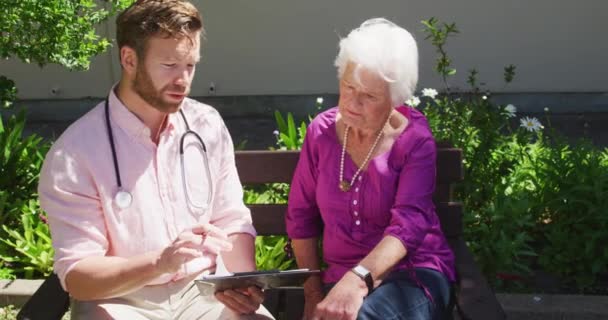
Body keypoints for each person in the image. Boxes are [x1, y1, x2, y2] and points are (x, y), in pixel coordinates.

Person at [38, 1, 273, 319]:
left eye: (190, 66)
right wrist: (160, 262)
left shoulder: (207, 124)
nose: (183, 80)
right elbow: (80, 276)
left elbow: (231, 219)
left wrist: (240, 283)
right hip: (119, 299)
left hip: (204, 290)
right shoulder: (75, 153)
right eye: (169, 65)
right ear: (129, 59)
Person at [286, 18, 456, 320]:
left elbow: (409, 224)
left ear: (395, 98)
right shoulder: (321, 134)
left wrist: (357, 280)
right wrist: (312, 294)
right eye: (348, 86)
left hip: (411, 273)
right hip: (338, 278)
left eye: (370, 95)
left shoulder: (413, 139)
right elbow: (300, 217)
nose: (352, 102)